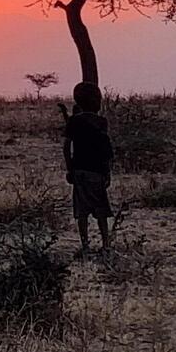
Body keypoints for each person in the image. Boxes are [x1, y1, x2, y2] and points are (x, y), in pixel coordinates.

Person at [63, 82, 114, 255]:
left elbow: (66, 146)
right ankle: (106, 244)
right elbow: (106, 149)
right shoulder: (101, 122)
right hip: (97, 171)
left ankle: (85, 245)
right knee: (101, 210)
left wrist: (70, 168)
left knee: (82, 211)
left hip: (79, 171)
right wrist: (107, 172)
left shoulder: (74, 121)